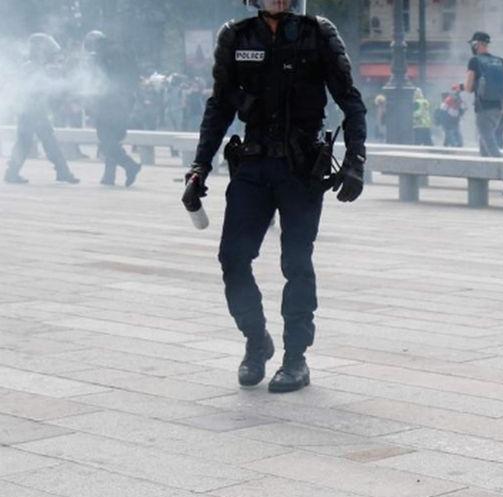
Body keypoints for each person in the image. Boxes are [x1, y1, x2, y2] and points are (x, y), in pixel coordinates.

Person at [186, 0, 367, 393]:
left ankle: (296, 358)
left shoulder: (318, 33)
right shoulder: (235, 36)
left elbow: (350, 101)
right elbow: (219, 106)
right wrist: (199, 166)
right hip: (252, 166)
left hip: (301, 170)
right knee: (233, 258)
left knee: (297, 262)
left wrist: (356, 160)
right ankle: (256, 341)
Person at [4, 33, 79, 185]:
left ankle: (13, 172)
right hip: (31, 110)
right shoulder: (31, 67)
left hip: (33, 110)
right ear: (39, 50)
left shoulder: (34, 67)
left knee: (34, 142)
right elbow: (34, 88)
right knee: (40, 142)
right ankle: (62, 172)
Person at [84, 31, 141, 187]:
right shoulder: (119, 50)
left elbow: (105, 80)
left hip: (111, 102)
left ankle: (130, 166)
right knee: (112, 139)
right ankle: (109, 176)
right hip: (123, 101)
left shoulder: (104, 55)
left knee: (106, 139)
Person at [465, 31, 503, 157]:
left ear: (476, 44)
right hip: (500, 108)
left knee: (489, 142)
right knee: (484, 139)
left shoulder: (474, 61)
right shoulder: (499, 60)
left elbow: (468, 88)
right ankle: (481, 175)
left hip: (484, 108)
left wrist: (463, 86)